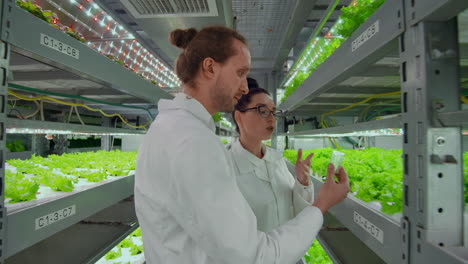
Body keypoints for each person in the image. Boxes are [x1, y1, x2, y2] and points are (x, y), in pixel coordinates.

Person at [134, 25, 350, 264]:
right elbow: (253, 256)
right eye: (240, 72)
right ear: (210, 67)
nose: (246, 86)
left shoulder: (172, 127)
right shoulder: (194, 141)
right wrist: (322, 203)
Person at [230, 87, 317, 264]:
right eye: (262, 111)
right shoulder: (226, 166)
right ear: (239, 117)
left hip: (288, 255)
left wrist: (302, 182)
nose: (271, 118)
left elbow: (297, 212)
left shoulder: (276, 160)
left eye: (273, 112)